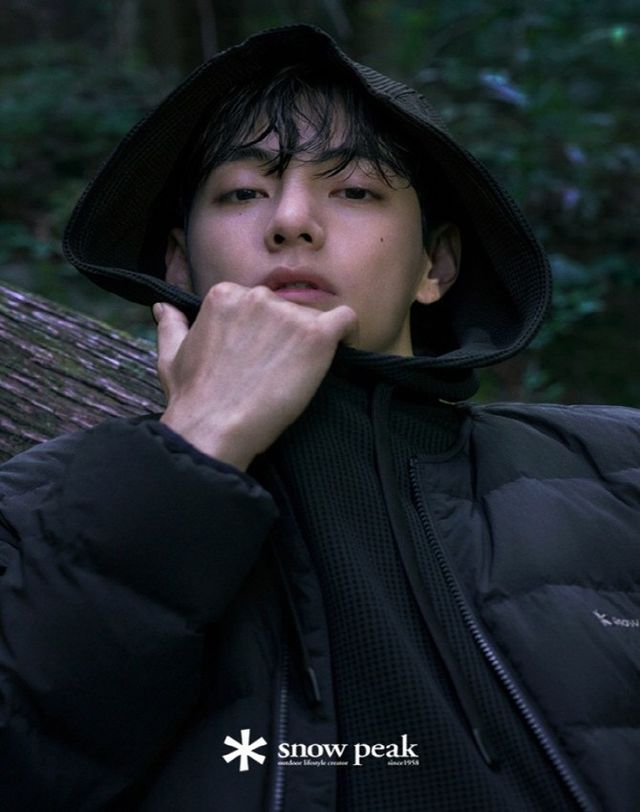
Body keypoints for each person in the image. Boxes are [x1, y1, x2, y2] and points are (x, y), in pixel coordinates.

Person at [0, 23, 638, 812]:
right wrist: (197, 443)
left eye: (355, 191)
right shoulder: (37, 512)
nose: (291, 220)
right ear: (177, 263)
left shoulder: (617, 471)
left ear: (434, 266)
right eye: (242, 192)